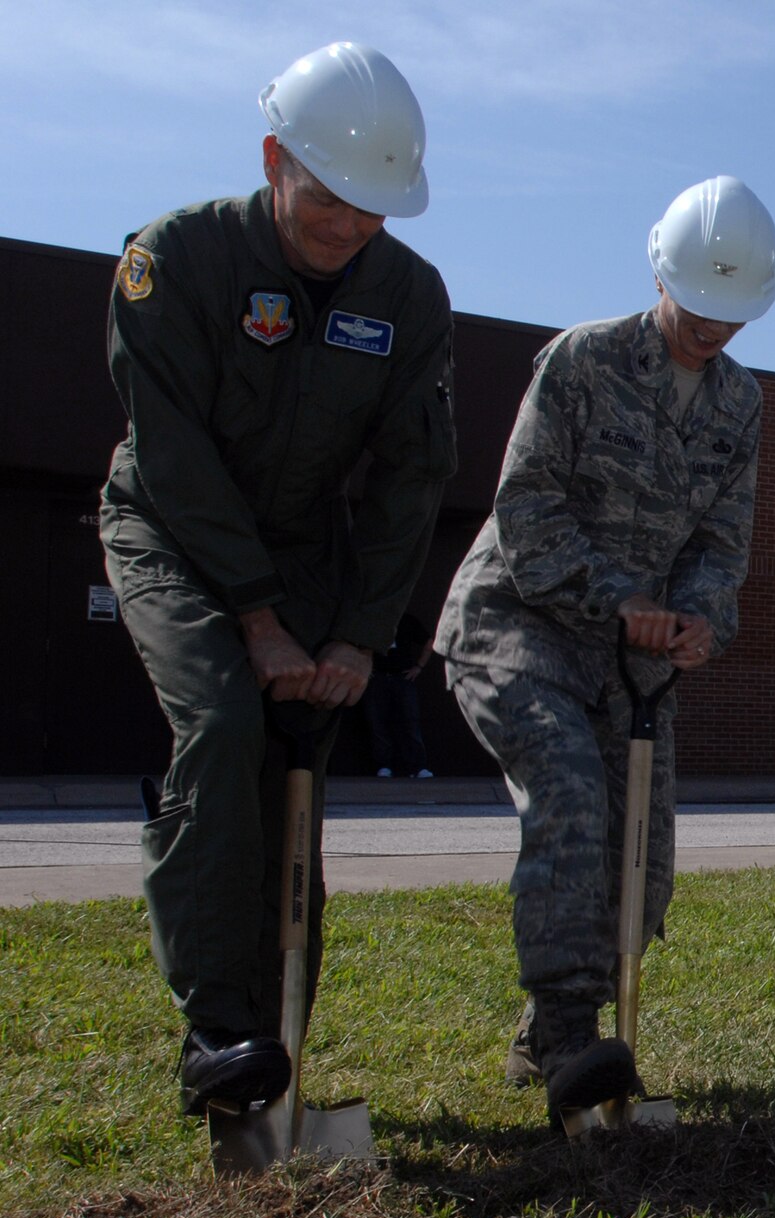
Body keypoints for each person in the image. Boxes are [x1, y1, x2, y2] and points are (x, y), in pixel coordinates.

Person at [98, 43, 452, 1117]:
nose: (346, 229)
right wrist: (256, 617)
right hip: (170, 526)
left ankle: (276, 1034)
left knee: (294, 774)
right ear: (273, 160)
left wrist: (355, 634)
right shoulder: (175, 262)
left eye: (372, 211)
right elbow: (176, 455)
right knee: (222, 722)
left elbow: (409, 480)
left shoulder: (407, 293)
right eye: (326, 202)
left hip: (307, 545)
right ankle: (217, 1024)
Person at [435, 176, 775, 1119]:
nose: (714, 329)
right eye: (700, 306)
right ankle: (563, 1031)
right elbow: (527, 507)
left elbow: (721, 540)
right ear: (662, 272)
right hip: (519, 625)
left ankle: (551, 1021)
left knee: (645, 858)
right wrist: (616, 599)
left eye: (734, 314)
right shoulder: (581, 361)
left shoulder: (739, 402)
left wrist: (703, 617)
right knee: (572, 799)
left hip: (633, 660)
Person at [364, 610, 435, 777]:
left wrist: (419, 666)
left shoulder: (407, 620)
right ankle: (384, 765)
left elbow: (429, 642)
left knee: (410, 720)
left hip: (402, 677)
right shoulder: (372, 620)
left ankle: (417, 766)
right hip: (378, 676)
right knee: (377, 722)